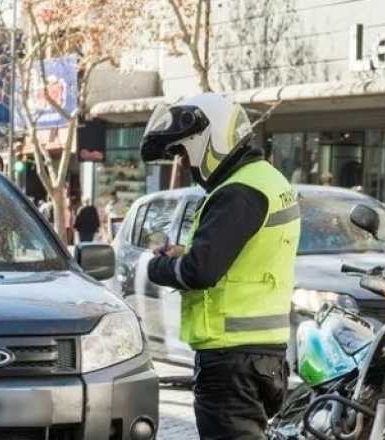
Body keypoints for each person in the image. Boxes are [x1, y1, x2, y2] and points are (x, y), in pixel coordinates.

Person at [139, 94, 299, 440]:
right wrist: (189, 251)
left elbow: (200, 272)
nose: (182, 164)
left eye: (182, 152)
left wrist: (157, 267)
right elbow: (245, 253)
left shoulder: (237, 192)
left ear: (206, 142)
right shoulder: (267, 180)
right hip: (261, 354)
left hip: (231, 360)